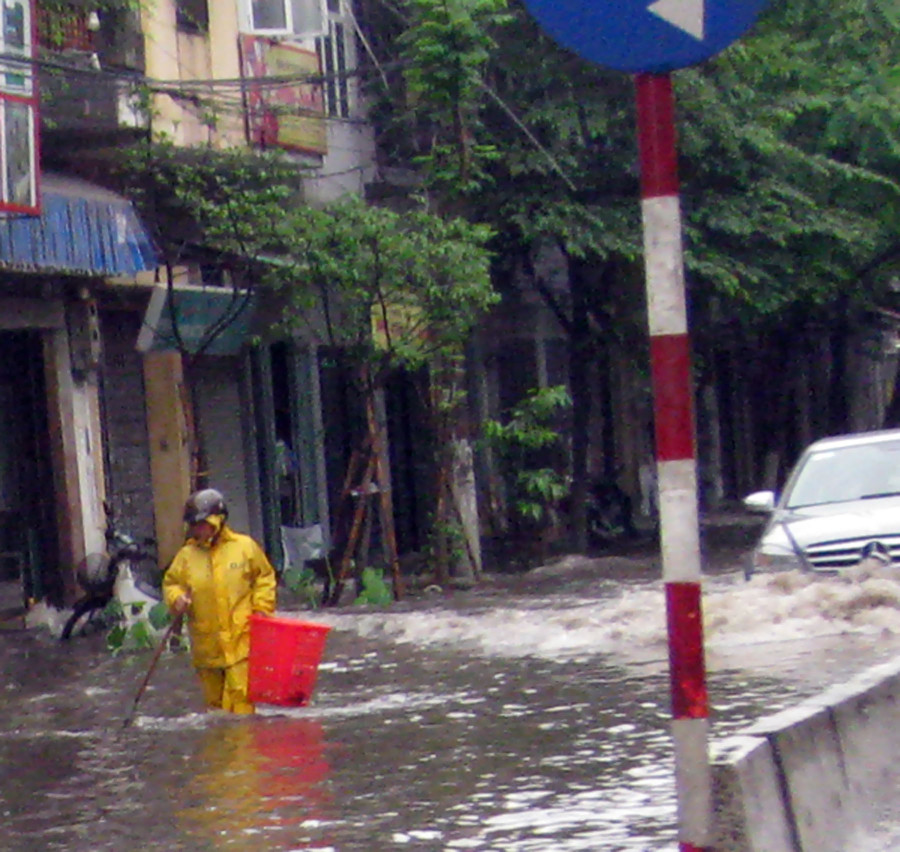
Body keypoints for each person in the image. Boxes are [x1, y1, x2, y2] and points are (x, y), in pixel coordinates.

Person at [163, 488, 277, 714]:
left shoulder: (244, 547)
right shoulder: (186, 556)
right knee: (216, 712)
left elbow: (264, 577)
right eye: (193, 525)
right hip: (207, 648)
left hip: (241, 642)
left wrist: (262, 608)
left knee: (242, 706)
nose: (197, 530)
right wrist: (177, 599)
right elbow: (171, 583)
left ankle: (244, 748)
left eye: (201, 524)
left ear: (217, 521)